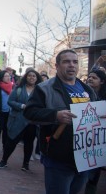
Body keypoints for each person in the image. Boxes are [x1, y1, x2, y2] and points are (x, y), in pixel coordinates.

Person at [24, 49, 97, 194]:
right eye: (66, 62)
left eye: (75, 62)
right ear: (57, 66)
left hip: (84, 157)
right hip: (58, 159)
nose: (71, 65)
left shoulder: (87, 89)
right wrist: (55, 115)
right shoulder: (44, 88)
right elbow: (29, 113)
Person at [0, 70, 42, 171]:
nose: (31, 77)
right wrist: (21, 106)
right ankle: (4, 160)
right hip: (18, 121)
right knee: (11, 141)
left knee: (29, 143)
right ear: (26, 77)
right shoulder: (19, 89)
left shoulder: (40, 91)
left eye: (34, 76)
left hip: (32, 122)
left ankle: (25, 164)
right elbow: (10, 101)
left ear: (37, 78)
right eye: (29, 76)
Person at [84, 69, 106, 194]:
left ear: (102, 81)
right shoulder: (82, 94)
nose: (90, 79)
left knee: (94, 173)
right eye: (89, 77)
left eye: (94, 77)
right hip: (83, 137)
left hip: (99, 140)